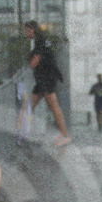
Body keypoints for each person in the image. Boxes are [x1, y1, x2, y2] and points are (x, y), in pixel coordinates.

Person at [23, 20, 71, 148]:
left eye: (27, 30)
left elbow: (34, 63)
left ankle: (65, 136)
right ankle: (23, 133)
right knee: (31, 105)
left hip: (46, 79)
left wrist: (29, 58)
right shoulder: (42, 42)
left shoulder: (40, 42)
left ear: (33, 30)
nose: (26, 33)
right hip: (42, 79)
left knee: (53, 106)